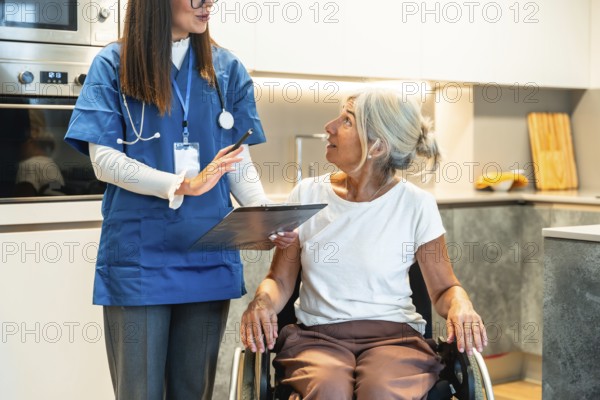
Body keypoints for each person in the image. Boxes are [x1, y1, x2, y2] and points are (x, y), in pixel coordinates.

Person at [64, 0, 294, 399]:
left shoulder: (227, 69)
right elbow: (104, 162)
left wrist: (263, 217)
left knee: (193, 391)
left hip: (207, 255)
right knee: (140, 391)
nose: (208, 4)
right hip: (140, 260)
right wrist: (182, 184)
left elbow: (236, 161)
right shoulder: (113, 64)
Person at [241, 88, 488, 399]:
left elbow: (443, 289)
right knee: (328, 390)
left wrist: (461, 305)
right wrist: (262, 302)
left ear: (377, 146)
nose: (328, 126)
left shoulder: (416, 204)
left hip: (394, 340)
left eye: (346, 121)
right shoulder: (306, 195)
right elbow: (278, 279)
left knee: (381, 392)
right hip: (317, 339)